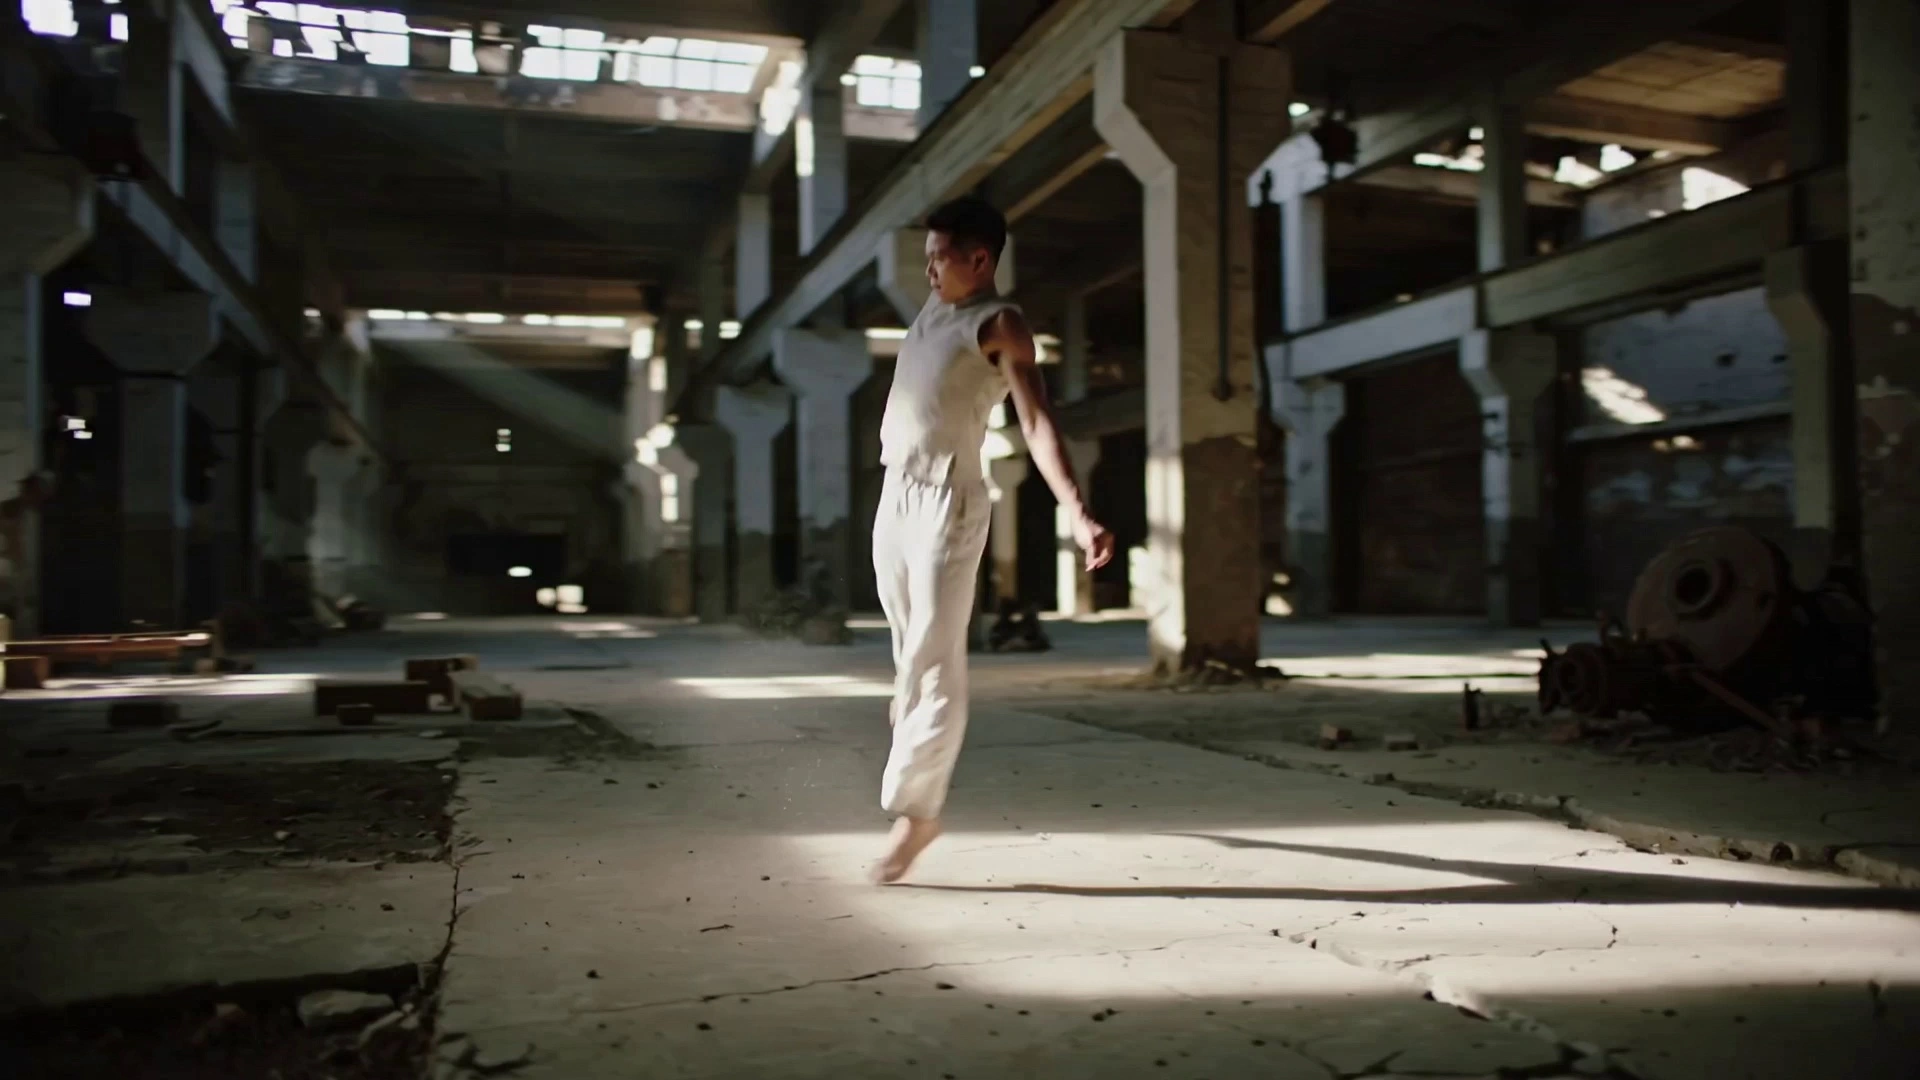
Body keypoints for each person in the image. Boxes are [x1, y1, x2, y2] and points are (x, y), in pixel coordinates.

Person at [870, 196, 1115, 884]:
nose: (927, 269)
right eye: (926, 255)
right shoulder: (933, 311)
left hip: (950, 499)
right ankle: (914, 773)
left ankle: (915, 817)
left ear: (981, 259)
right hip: (896, 496)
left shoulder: (998, 323)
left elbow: (1036, 423)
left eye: (940, 257)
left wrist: (1076, 507)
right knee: (906, 660)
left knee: (934, 659)